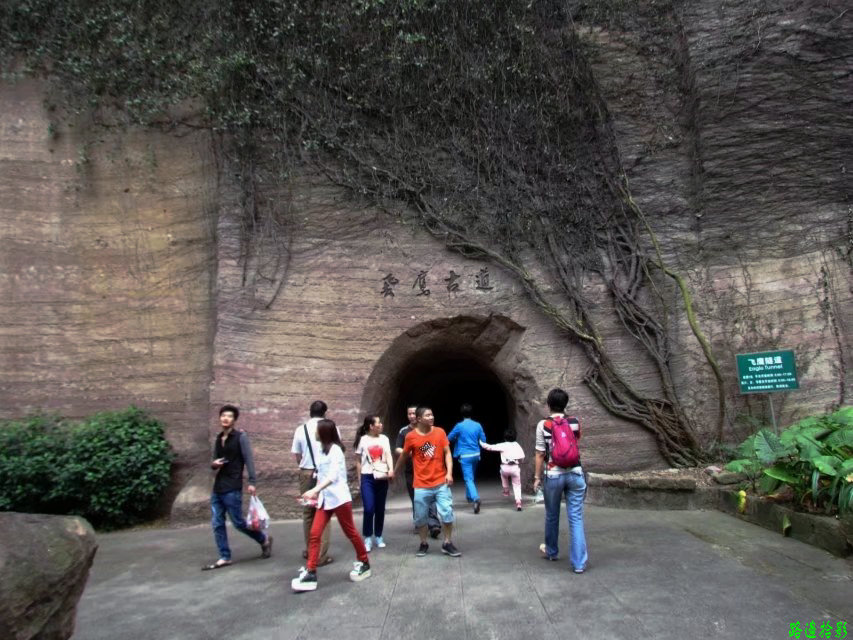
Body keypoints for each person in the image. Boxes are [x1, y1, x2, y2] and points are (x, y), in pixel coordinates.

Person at [291, 419, 371, 591]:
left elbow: (333, 476)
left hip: (340, 499)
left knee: (350, 532)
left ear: (324, 433)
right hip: (325, 500)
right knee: (314, 533)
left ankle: (364, 561)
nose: (314, 433)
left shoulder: (335, 451)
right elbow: (322, 474)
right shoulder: (321, 450)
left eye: (317, 430)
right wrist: (314, 493)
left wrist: (315, 490)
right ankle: (311, 571)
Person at [202, 404, 273, 570]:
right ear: (220, 418)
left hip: (232, 486)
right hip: (218, 486)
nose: (225, 418)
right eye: (223, 416)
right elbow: (214, 461)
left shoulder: (241, 437)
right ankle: (225, 556)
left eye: (229, 416)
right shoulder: (219, 439)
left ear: (234, 420)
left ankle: (264, 539)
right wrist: (214, 464)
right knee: (217, 523)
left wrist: (252, 482)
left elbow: (248, 459)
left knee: (238, 522)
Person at [533, 388, 588, 573]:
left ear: (548, 404)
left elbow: (540, 453)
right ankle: (579, 563)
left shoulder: (543, 425)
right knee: (576, 518)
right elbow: (575, 442)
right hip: (575, 473)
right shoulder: (574, 422)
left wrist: (536, 477)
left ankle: (551, 551)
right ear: (566, 404)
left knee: (552, 515)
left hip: (553, 474)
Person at [394, 406, 461, 557]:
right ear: (419, 419)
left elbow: (447, 453)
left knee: (447, 512)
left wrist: (449, 473)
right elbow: (404, 455)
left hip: (440, 482)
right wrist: (394, 472)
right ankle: (423, 543)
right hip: (421, 485)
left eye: (432, 414)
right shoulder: (411, 436)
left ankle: (447, 543)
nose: (431, 417)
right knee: (420, 517)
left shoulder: (440, 432)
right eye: (428, 415)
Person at [291, 400, 334, 566]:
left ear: (310, 412)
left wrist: (305, 468)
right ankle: (321, 555)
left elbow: (297, 455)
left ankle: (311, 551)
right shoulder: (330, 427)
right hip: (324, 476)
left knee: (308, 513)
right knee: (324, 512)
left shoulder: (300, 430)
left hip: (306, 473)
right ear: (325, 412)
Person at [395, 404, 441, 538]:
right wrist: (409, 452)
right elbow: (398, 448)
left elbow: (432, 450)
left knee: (431, 497)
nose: (411, 416)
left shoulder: (429, 430)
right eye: (409, 414)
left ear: (419, 416)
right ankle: (419, 522)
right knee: (415, 497)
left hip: (427, 470)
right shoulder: (404, 432)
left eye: (414, 413)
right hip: (411, 470)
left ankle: (433, 524)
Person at [354, 415, 395, 551]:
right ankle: (367, 537)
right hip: (367, 476)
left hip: (382, 476)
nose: (381, 424)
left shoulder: (384, 439)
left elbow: (388, 454)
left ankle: (378, 535)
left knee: (380, 508)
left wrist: (391, 470)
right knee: (369, 508)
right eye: (378, 423)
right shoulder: (363, 440)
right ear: (371, 426)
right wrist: (359, 479)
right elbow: (359, 460)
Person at [447, 403, 487, 513]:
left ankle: (475, 498)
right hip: (476, 454)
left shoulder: (459, 426)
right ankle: (469, 497)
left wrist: (456, 438)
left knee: (468, 478)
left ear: (461, 413)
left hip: (465, 456)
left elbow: (448, 438)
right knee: (471, 477)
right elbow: (483, 439)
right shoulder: (478, 425)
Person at [479, 429, 526, 510]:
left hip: (505, 467)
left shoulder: (503, 445)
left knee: (503, 475)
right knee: (517, 485)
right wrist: (520, 461)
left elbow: (490, 447)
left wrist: (481, 442)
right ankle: (518, 502)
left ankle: (506, 490)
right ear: (515, 437)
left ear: (505, 437)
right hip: (515, 467)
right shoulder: (517, 445)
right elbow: (522, 457)